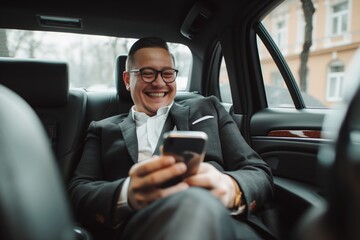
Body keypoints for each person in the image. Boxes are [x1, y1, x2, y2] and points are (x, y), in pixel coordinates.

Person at [68, 36, 277, 240]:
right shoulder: (102, 129)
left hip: (223, 222)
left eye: (168, 74)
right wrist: (128, 193)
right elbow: (79, 190)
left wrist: (229, 188)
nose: (159, 83)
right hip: (143, 226)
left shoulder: (208, 108)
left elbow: (258, 172)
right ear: (127, 80)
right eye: (147, 73)